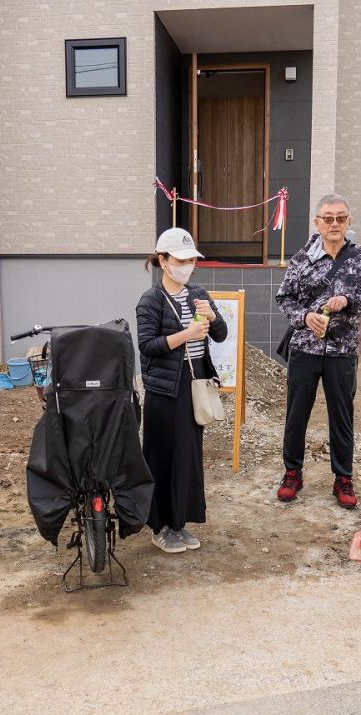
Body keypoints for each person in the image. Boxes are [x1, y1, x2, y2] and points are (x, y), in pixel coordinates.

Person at [275, 194, 361, 508]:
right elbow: (285, 298)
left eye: (340, 218)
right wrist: (304, 317)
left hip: (342, 349)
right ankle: (292, 472)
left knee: (342, 415)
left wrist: (349, 302)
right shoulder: (301, 258)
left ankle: (343, 477)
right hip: (304, 349)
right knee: (296, 414)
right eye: (328, 218)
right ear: (317, 222)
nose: (334, 223)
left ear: (348, 221)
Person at [135, 228, 227, 554]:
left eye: (192, 260)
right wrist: (185, 335)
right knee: (161, 456)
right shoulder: (151, 300)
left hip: (194, 386)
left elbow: (220, 334)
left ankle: (180, 523)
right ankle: (159, 526)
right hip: (163, 391)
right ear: (163, 261)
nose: (188, 265)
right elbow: (147, 346)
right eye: (182, 259)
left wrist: (213, 318)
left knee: (188, 456)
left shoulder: (197, 293)